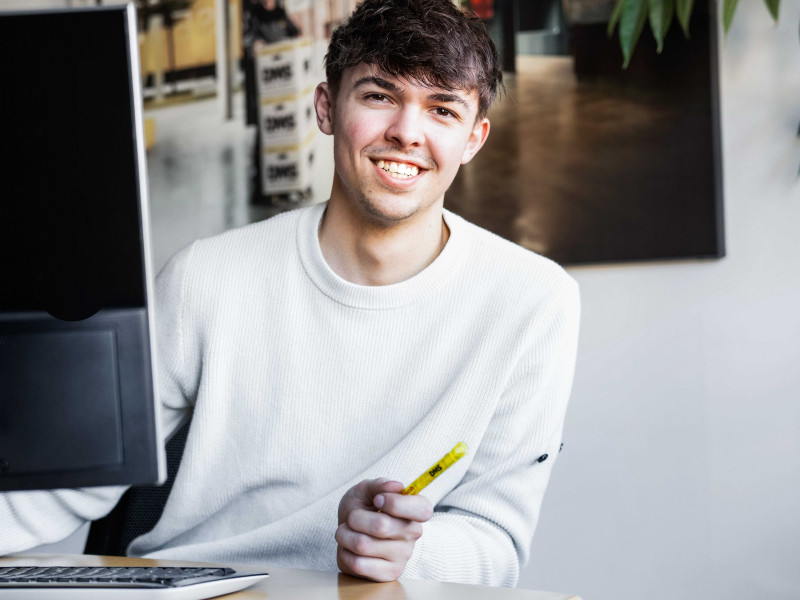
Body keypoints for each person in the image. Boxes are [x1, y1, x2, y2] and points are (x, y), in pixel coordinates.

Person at [0, 0, 579, 587]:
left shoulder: (533, 302)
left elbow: (495, 536)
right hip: (202, 589)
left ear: (474, 138)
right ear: (326, 107)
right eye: (379, 96)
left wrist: (408, 552)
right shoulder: (205, 278)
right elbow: (65, 479)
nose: (407, 132)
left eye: (442, 109)